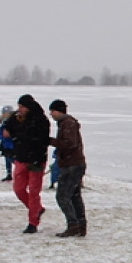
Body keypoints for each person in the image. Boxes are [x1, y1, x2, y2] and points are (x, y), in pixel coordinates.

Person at [3, 94, 50, 233]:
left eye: (22, 107)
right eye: (19, 106)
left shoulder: (41, 120)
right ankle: (37, 209)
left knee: (34, 192)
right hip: (20, 158)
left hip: (36, 160)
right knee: (19, 189)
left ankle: (33, 223)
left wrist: (37, 158)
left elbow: (43, 141)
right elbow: (7, 130)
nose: (20, 109)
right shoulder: (15, 118)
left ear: (28, 107)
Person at [48, 99, 87, 237]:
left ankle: (73, 225)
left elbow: (70, 143)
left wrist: (51, 141)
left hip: (72, 165)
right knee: (75, 196)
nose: (51, 114)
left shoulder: (67, 123)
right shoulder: (67, 123)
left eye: (52, 111)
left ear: (59, 111)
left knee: (62, 196)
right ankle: (81, 225)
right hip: (75, 164)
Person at [0, 105, 15, 180]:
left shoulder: (11, 121)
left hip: (10, 144)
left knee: (11, 158)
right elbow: (1, 130)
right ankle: (9, 173)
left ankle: (12, 173)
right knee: (7, 158)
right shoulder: (5, 121)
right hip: (6, 144)